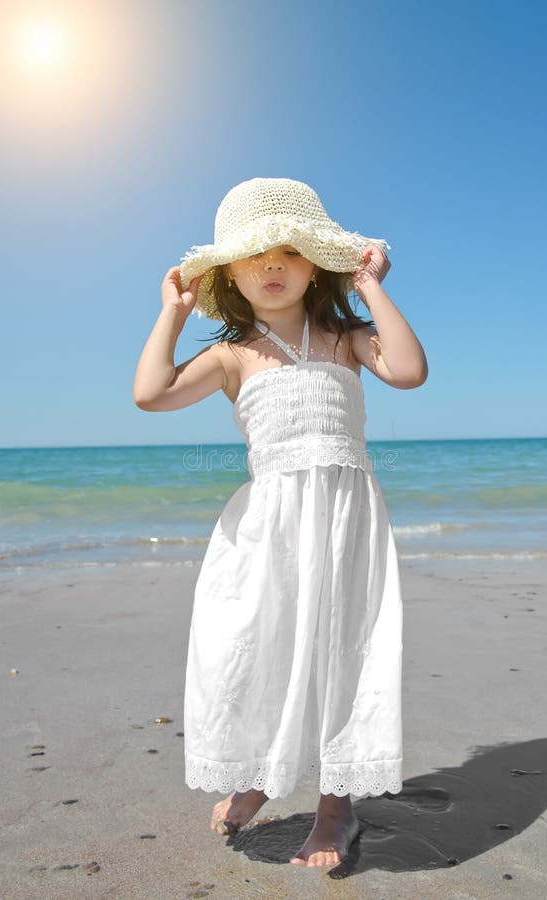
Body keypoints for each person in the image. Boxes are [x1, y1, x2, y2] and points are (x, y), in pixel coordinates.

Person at [133, 177, 428, 869]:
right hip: (268, 528)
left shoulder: (348, 338)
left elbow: (409, 371)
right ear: (229, 274)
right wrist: (172, 315)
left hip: (345, 520)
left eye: (290, 253)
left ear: (317, 267)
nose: (271, 267)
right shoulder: (233, 355)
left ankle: (336, 808)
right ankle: (258, 776)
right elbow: (150, 394)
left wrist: (369, 290)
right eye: (253, 256)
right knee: (256, 647)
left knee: (339, 652)